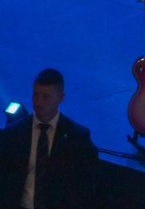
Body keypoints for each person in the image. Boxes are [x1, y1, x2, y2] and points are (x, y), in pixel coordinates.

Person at [0, 68, 99, 209]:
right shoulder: (14, 134)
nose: (38, 102)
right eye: (36, 95)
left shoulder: (77, 138)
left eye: (45, 97)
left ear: (61, 98)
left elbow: (87, 185)